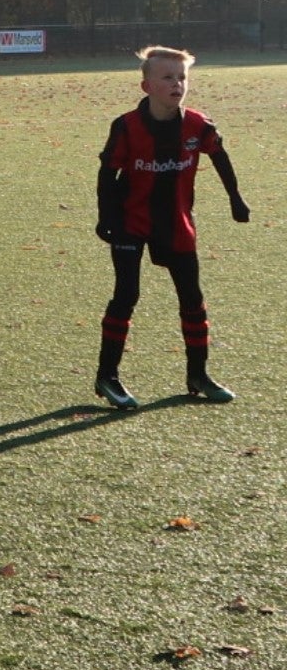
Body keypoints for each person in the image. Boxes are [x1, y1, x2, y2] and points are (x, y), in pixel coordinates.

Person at [92, 46, 249, 410]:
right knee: (126, 294)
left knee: (192, 298)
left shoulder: (198, 125)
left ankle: (198, 374)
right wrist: (106, 217)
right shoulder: (126, 126)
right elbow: (107, 173)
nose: (177, 84)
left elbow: (220, 157)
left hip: (176, 222)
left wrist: (236, 199)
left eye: (182, 77)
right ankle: (107, 376)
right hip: (130, 222)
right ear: (146, 86)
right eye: (167, 77)